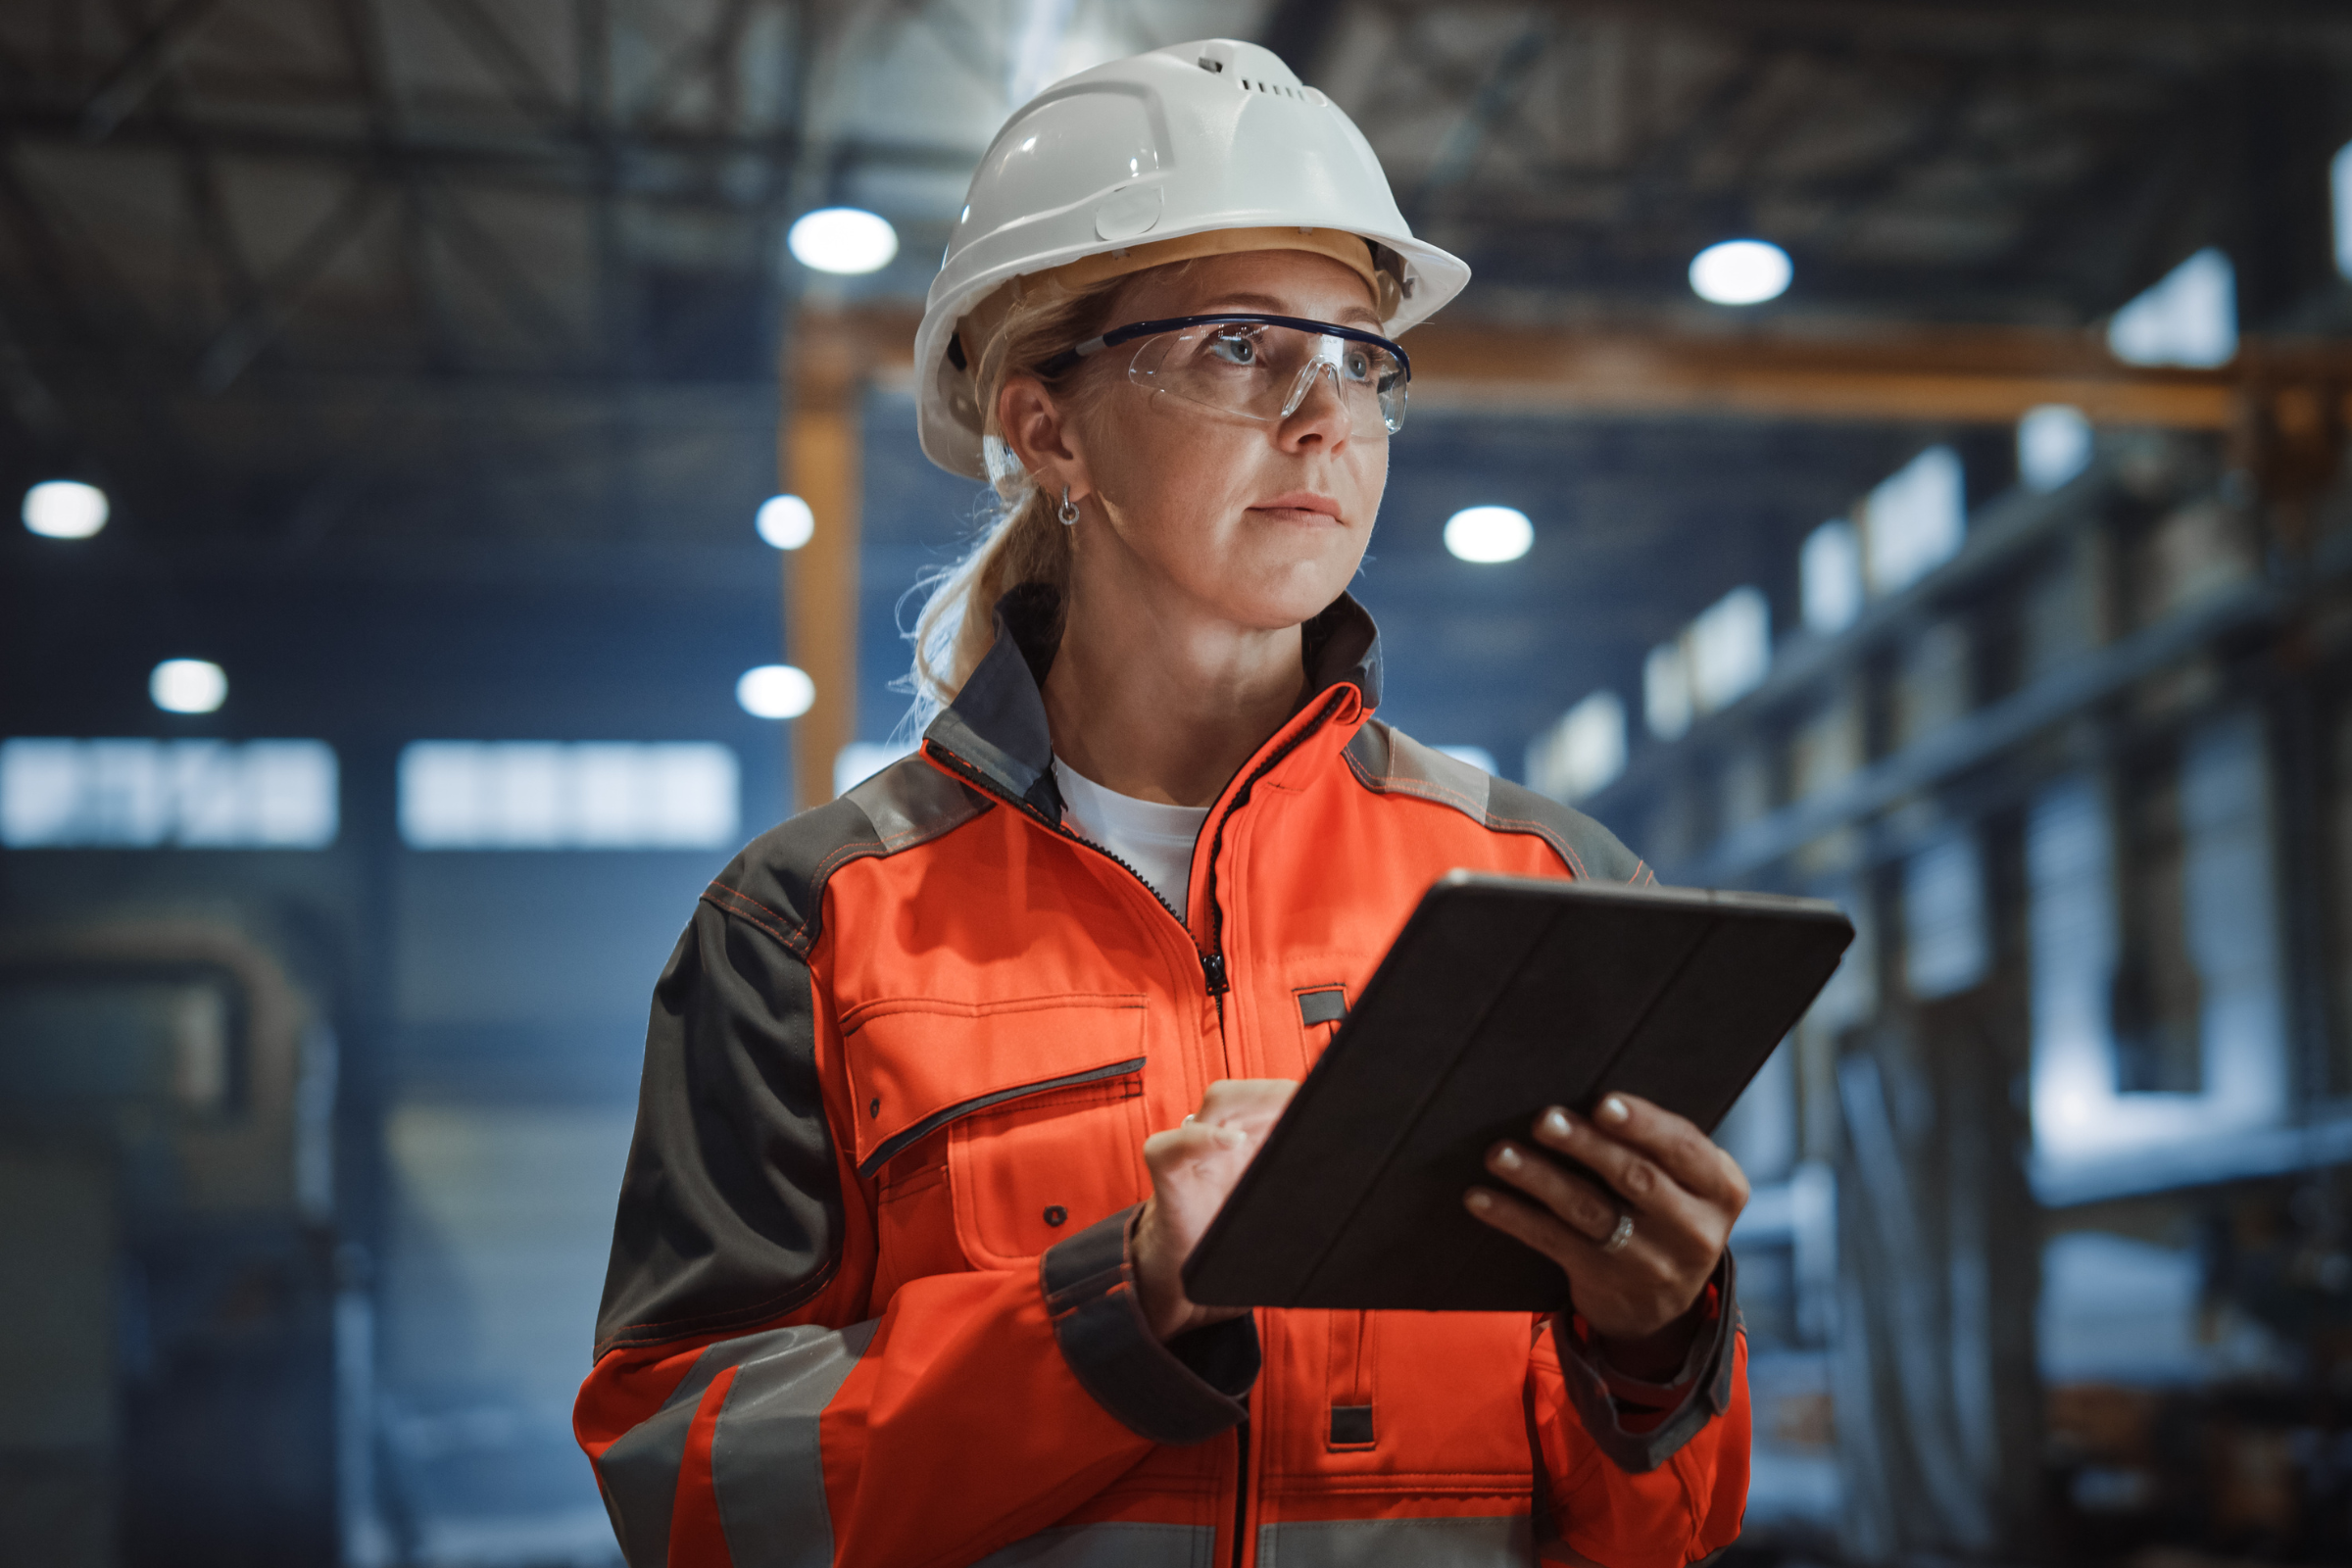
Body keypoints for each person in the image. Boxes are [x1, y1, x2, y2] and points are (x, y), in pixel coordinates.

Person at [575, 37, 1750, 1568]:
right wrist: (1117, 1306)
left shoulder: (1552, 888)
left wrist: (1654, 1346)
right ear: (1046, 426)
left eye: (1360, 358)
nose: (1327, 417)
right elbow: (694, 1493)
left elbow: (1658, 1535)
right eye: (1241, 348)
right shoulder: (809, 927)